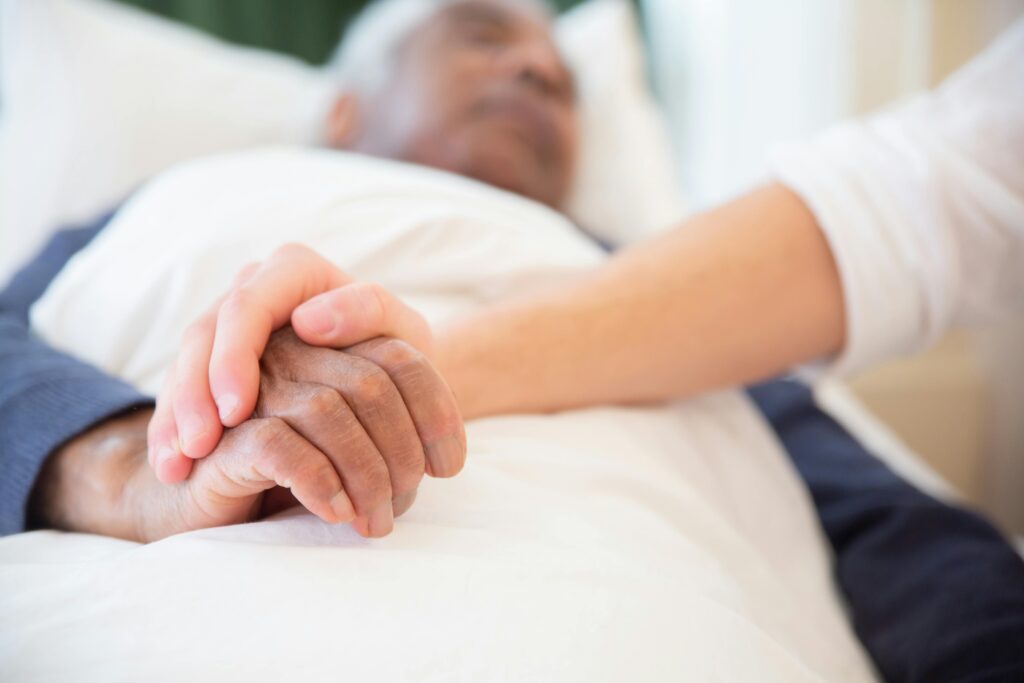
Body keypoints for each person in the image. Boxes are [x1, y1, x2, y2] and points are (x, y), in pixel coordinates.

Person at [1, 0, 1021, 680]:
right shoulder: (161, 207)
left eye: (562, 75)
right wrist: (131, 462)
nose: (539, 63)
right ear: (346, 112)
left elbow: (889, 530)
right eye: (482, 36)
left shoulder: (662, 289)